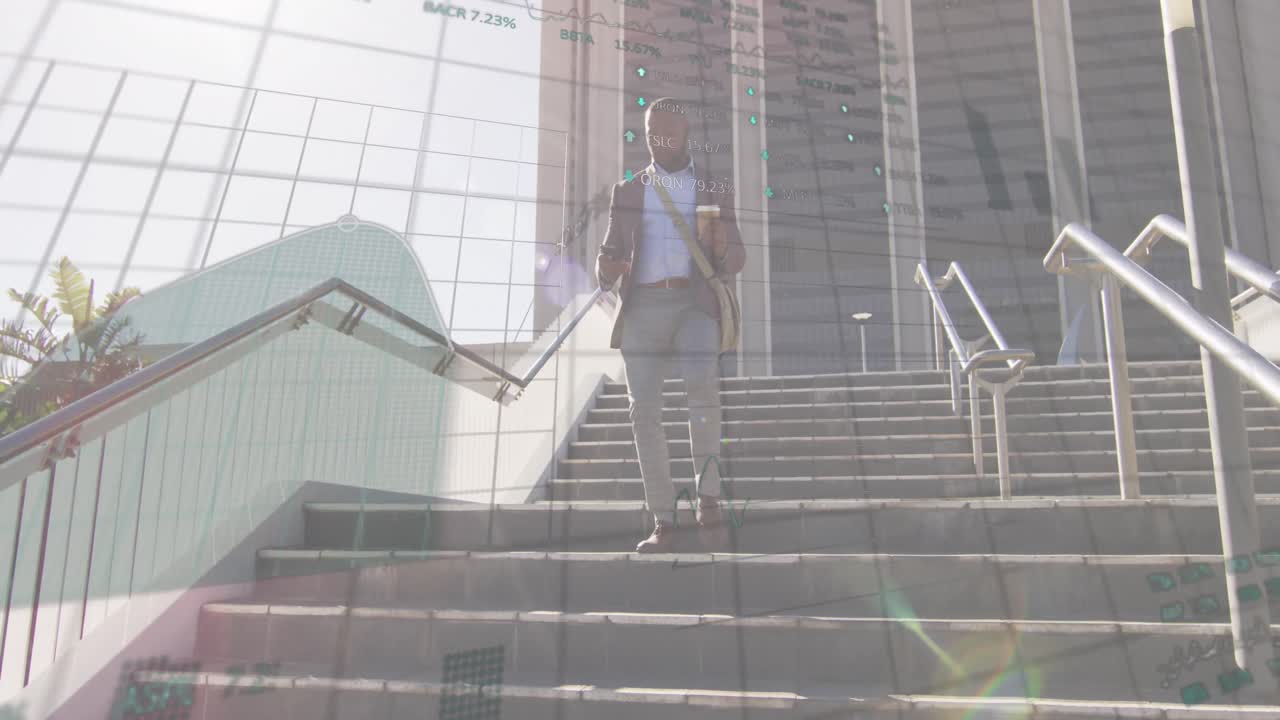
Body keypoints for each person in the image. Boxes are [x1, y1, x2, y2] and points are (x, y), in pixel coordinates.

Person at [594, 98, 746, 553]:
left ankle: (710, 499)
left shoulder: (712, 187)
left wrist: (720, 247)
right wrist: (607, 267)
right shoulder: (627, 191)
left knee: (702, 390)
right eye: (650, 134)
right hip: (641, 309)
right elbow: (606, 258)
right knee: (644, 413)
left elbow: (737, 258)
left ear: (685, 135)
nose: (658, 142)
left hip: (693, 303)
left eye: (668, 133)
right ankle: (663, 519)